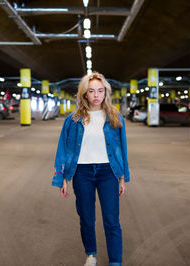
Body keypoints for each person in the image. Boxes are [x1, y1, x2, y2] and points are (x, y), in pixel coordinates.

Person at [52, 72, 130, 266]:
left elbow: (122, 149)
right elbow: (64, 149)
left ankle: (115, 261)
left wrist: (122, 177)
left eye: (100, 91)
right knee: (86, 218)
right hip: (82, 174)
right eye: (92, 91)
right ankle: (91, 255)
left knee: (111, 220)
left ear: (105, 93)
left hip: (108, 173)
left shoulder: (114, 117)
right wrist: (62, 177)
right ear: (85, 94)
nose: (96, 95)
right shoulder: (73, 119)